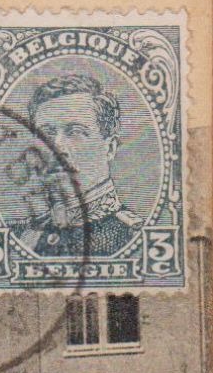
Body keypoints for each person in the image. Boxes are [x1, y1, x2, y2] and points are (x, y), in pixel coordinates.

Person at [18, 73, 141, 258]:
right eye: (47, 133)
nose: (57, 147)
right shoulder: (18, 236)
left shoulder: (135, 237)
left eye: (75, 132)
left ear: (110, 148)